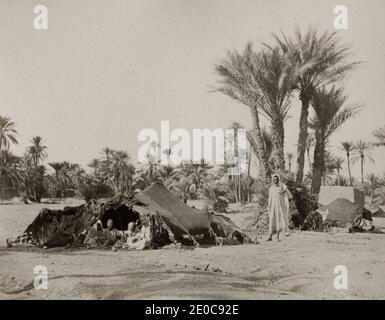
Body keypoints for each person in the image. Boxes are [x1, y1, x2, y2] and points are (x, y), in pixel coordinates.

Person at [267, 173, 293, 241]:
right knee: (271, 219)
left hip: (279, 206)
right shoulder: (271, 188)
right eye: (274, 179)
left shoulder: (281, 186)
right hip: (272, 206)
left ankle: (277, 237)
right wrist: (269, 207)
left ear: (278, 180)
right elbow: (270, 198)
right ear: (272, 180)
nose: (275, 180)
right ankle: (270, 236)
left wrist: (286, 194)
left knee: (278, 220)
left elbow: (286, 191)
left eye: (276, 179)